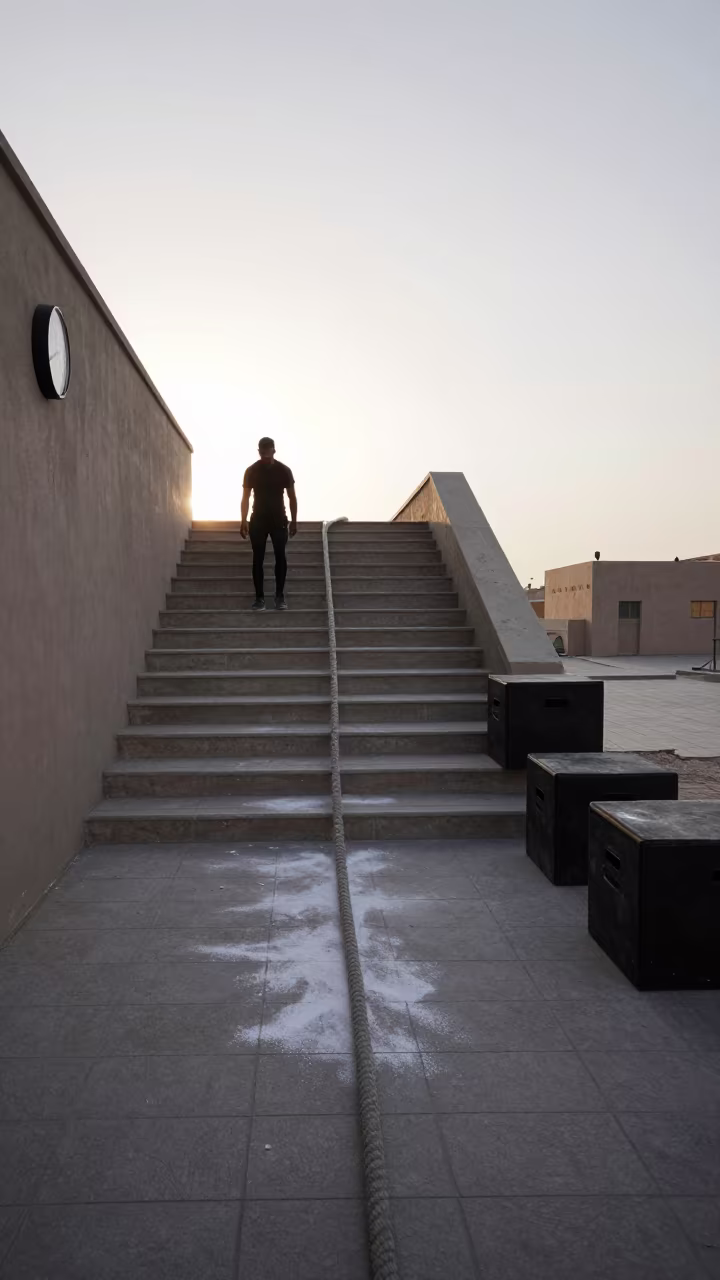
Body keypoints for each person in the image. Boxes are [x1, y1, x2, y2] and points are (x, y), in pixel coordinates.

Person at [240, 437, 297, 610]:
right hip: (258, 520)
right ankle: (260, 598)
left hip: (279, 520)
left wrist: (294, 521)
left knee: (281, 556)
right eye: (262, 452)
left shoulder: (284, 470)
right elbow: (245, 498)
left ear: (274, 450)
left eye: (268, 452)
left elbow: (292, 497)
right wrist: (243, 521)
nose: (265, 456)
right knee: (258, 558)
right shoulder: (251, 471)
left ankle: (279, 596)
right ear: (259, 452)